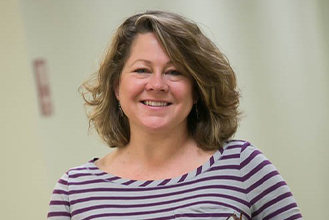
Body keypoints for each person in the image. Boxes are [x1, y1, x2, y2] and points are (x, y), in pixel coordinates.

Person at [47, 10, 302, 220]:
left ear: (197, 88)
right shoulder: (74, 190)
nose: (157, 85)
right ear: (116, 86)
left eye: (174, 72)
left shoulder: (243, 166)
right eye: (142, 70)